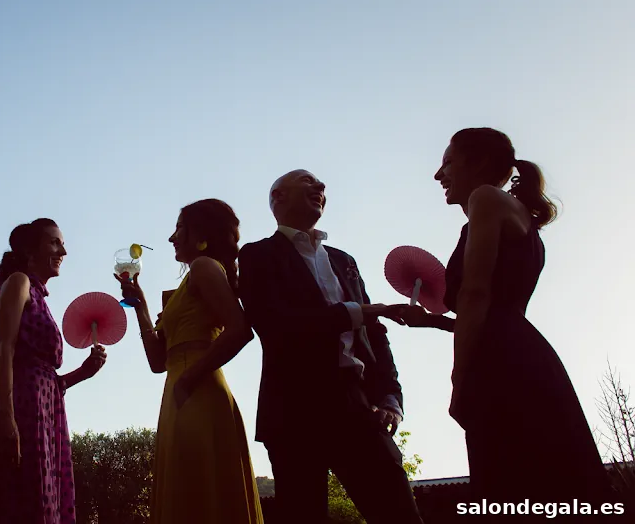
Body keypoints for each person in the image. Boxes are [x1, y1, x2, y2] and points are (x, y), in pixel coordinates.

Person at [390, 128, 612, 516]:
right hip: (520, 354)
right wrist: (431, 323)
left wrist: (459, 379)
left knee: (512, 484)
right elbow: (490, 312)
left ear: (477, 163)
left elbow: (476, 295)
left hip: (503, 368)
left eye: (447, 163)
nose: (439, 175)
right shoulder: (515, 214)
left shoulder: (486, 198)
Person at [238, 170, 423, 524]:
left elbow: (374, 334)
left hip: (357, 405)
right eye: (307, 181)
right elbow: (277, 327)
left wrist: (390, 398)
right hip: (294, 408)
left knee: (399, 512)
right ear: (277, 197)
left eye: (321, 185)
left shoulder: (344, 261)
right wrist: (359, 312)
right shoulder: (257, 256)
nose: (321, 187)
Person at [116, 198, 263, 524]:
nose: (171, 238)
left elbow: (240, 330)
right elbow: (157, 361)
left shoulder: (204, 267)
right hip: (178, 394)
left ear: (201, 236)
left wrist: (189, 378)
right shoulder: (186, 285)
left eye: (179, 228)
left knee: (199, 493)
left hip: (198, 393)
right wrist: (139, 306)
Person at [0, 218, 107, 524]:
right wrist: (6, 418)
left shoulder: (41, 299)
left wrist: (83, 371)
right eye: (55, 242)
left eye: (62, 244)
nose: (63, 252)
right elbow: (4, 350)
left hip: (48, 411)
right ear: (31, 250)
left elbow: (50, 380)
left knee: (43, 499)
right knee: (21, 498)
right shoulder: (19, 282)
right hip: (22, 408)